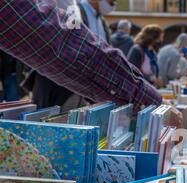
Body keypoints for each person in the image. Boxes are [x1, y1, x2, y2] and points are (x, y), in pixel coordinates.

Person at [0, 0, 161, 108]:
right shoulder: (77, 8)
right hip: (57, 89)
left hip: (84, 90)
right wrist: (144, 98)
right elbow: (66, 44)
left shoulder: (101, 20)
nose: (114, 3)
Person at [31, 0, 117, 110]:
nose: (112, 5)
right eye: (111, 2)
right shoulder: (75, 8)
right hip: (59, 82)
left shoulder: (101, 20)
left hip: (81, 85)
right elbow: (71, 41)